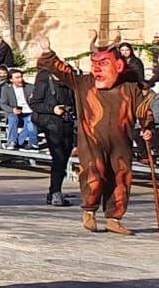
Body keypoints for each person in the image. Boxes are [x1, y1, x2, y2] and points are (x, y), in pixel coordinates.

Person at [47, 47, 148, 235]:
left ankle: (113, 218)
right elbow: (61, 70)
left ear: (118, 66)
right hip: (91, 142)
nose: (97, 70)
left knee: (121, 178)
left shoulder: (130, 88)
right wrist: (47, 53)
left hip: (121, 143)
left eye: (103, 64)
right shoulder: (85, 83)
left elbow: (143, 110)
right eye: (94, 65)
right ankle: (89, 212)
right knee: (94, 174)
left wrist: (147, 128)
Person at [32, 52, 78, 207]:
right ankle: (55, 193)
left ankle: (53, 191)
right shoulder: (45, 79)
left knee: (64, 159)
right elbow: (35, 103)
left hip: (67, 124)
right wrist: (53, 109)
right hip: (52, 124)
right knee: (58, 158)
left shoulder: (70, 84)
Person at [0, 68, 38, 150]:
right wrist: (12, 110)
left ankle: (28, 142)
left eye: (21, 77)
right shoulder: (6, 89)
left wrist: (32, 99)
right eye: (17, 78)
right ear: (11, 79)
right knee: (12, 118)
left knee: (30, 121)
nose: (20, 79)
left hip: (29, 111)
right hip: (15, 111)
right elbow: (3, 104)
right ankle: (12, 141)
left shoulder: (30, 87)